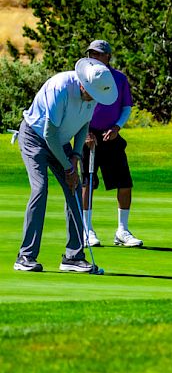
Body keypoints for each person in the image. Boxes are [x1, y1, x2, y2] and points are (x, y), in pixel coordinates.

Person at [14, 58, 118, 272]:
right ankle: (25, 256)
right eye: (91, 93)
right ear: (83, 83)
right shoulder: (60, 87)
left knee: (74, 190)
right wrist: (68, 167)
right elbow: (49, 134)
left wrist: (76, 155)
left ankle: (73, 257)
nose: (93, 99)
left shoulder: (94, 93)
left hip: (61, 142)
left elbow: (83, 125)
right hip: (35, 137)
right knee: (40, 188)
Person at [81, 39, 143, 248]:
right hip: (88, 135)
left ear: (108, 57)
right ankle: (86, 230)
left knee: (124, 183)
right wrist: (84, 131)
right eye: (92, 54)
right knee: (87, 183)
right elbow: (75, 107)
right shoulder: (82, 77)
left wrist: (117, 127)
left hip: (111, 134)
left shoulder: (119, 78)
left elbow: (126, 106)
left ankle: (122, 231)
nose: (95, 58)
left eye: (99, 54)